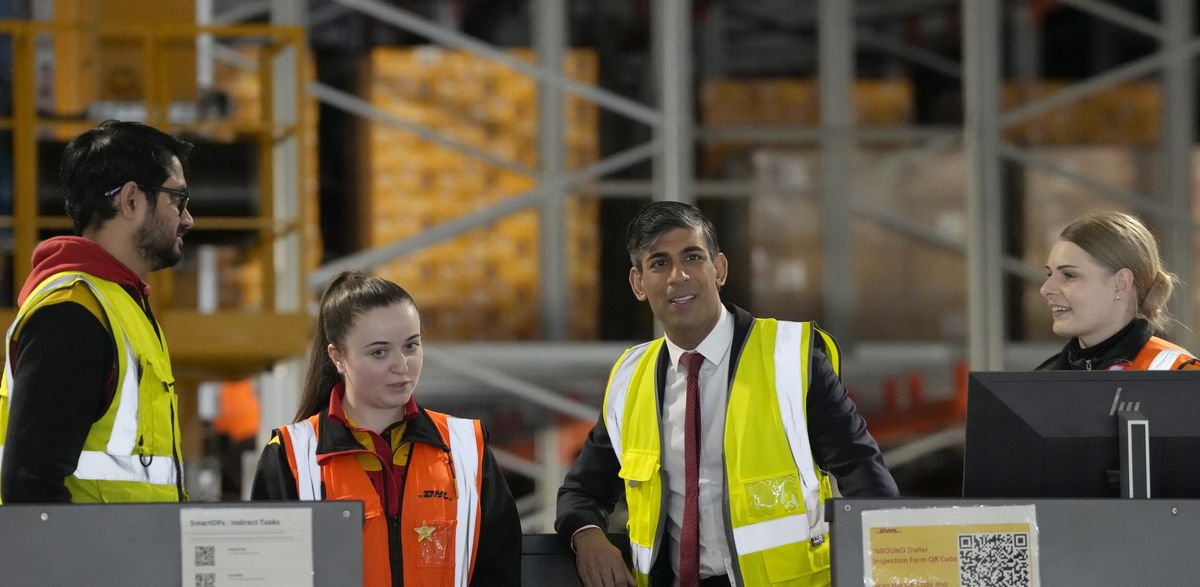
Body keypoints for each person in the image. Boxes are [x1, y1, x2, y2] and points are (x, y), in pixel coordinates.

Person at [556, 201, 898, 587]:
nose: (678, 276)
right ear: (638, 283)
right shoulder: (630, 378)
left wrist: (886, 570)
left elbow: (862, 472)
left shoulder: (791, 356)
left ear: (719, 268)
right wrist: (587, 538)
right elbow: (581, 492)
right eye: (659, 263)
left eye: (692, 257)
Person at [251, 271, 520, 587]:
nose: (401, 365)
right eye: (379, 352)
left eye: (411, 346)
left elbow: (500, 571)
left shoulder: (466, 448)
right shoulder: (290, 458)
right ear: (337, 357)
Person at [0, 120, 194, 503]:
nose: (188, 219)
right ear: (131, 200)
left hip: (122, 558)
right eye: (178, 200)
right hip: (92, 562)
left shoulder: (115, 305)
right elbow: (30, 486)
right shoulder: (73, 313)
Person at [1037, 210, 1197, 371]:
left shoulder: (1179, 373)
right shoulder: (1039, 380)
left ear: (1121, 284)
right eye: (1050, 274)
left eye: (1069, 275)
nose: (1046, 289)